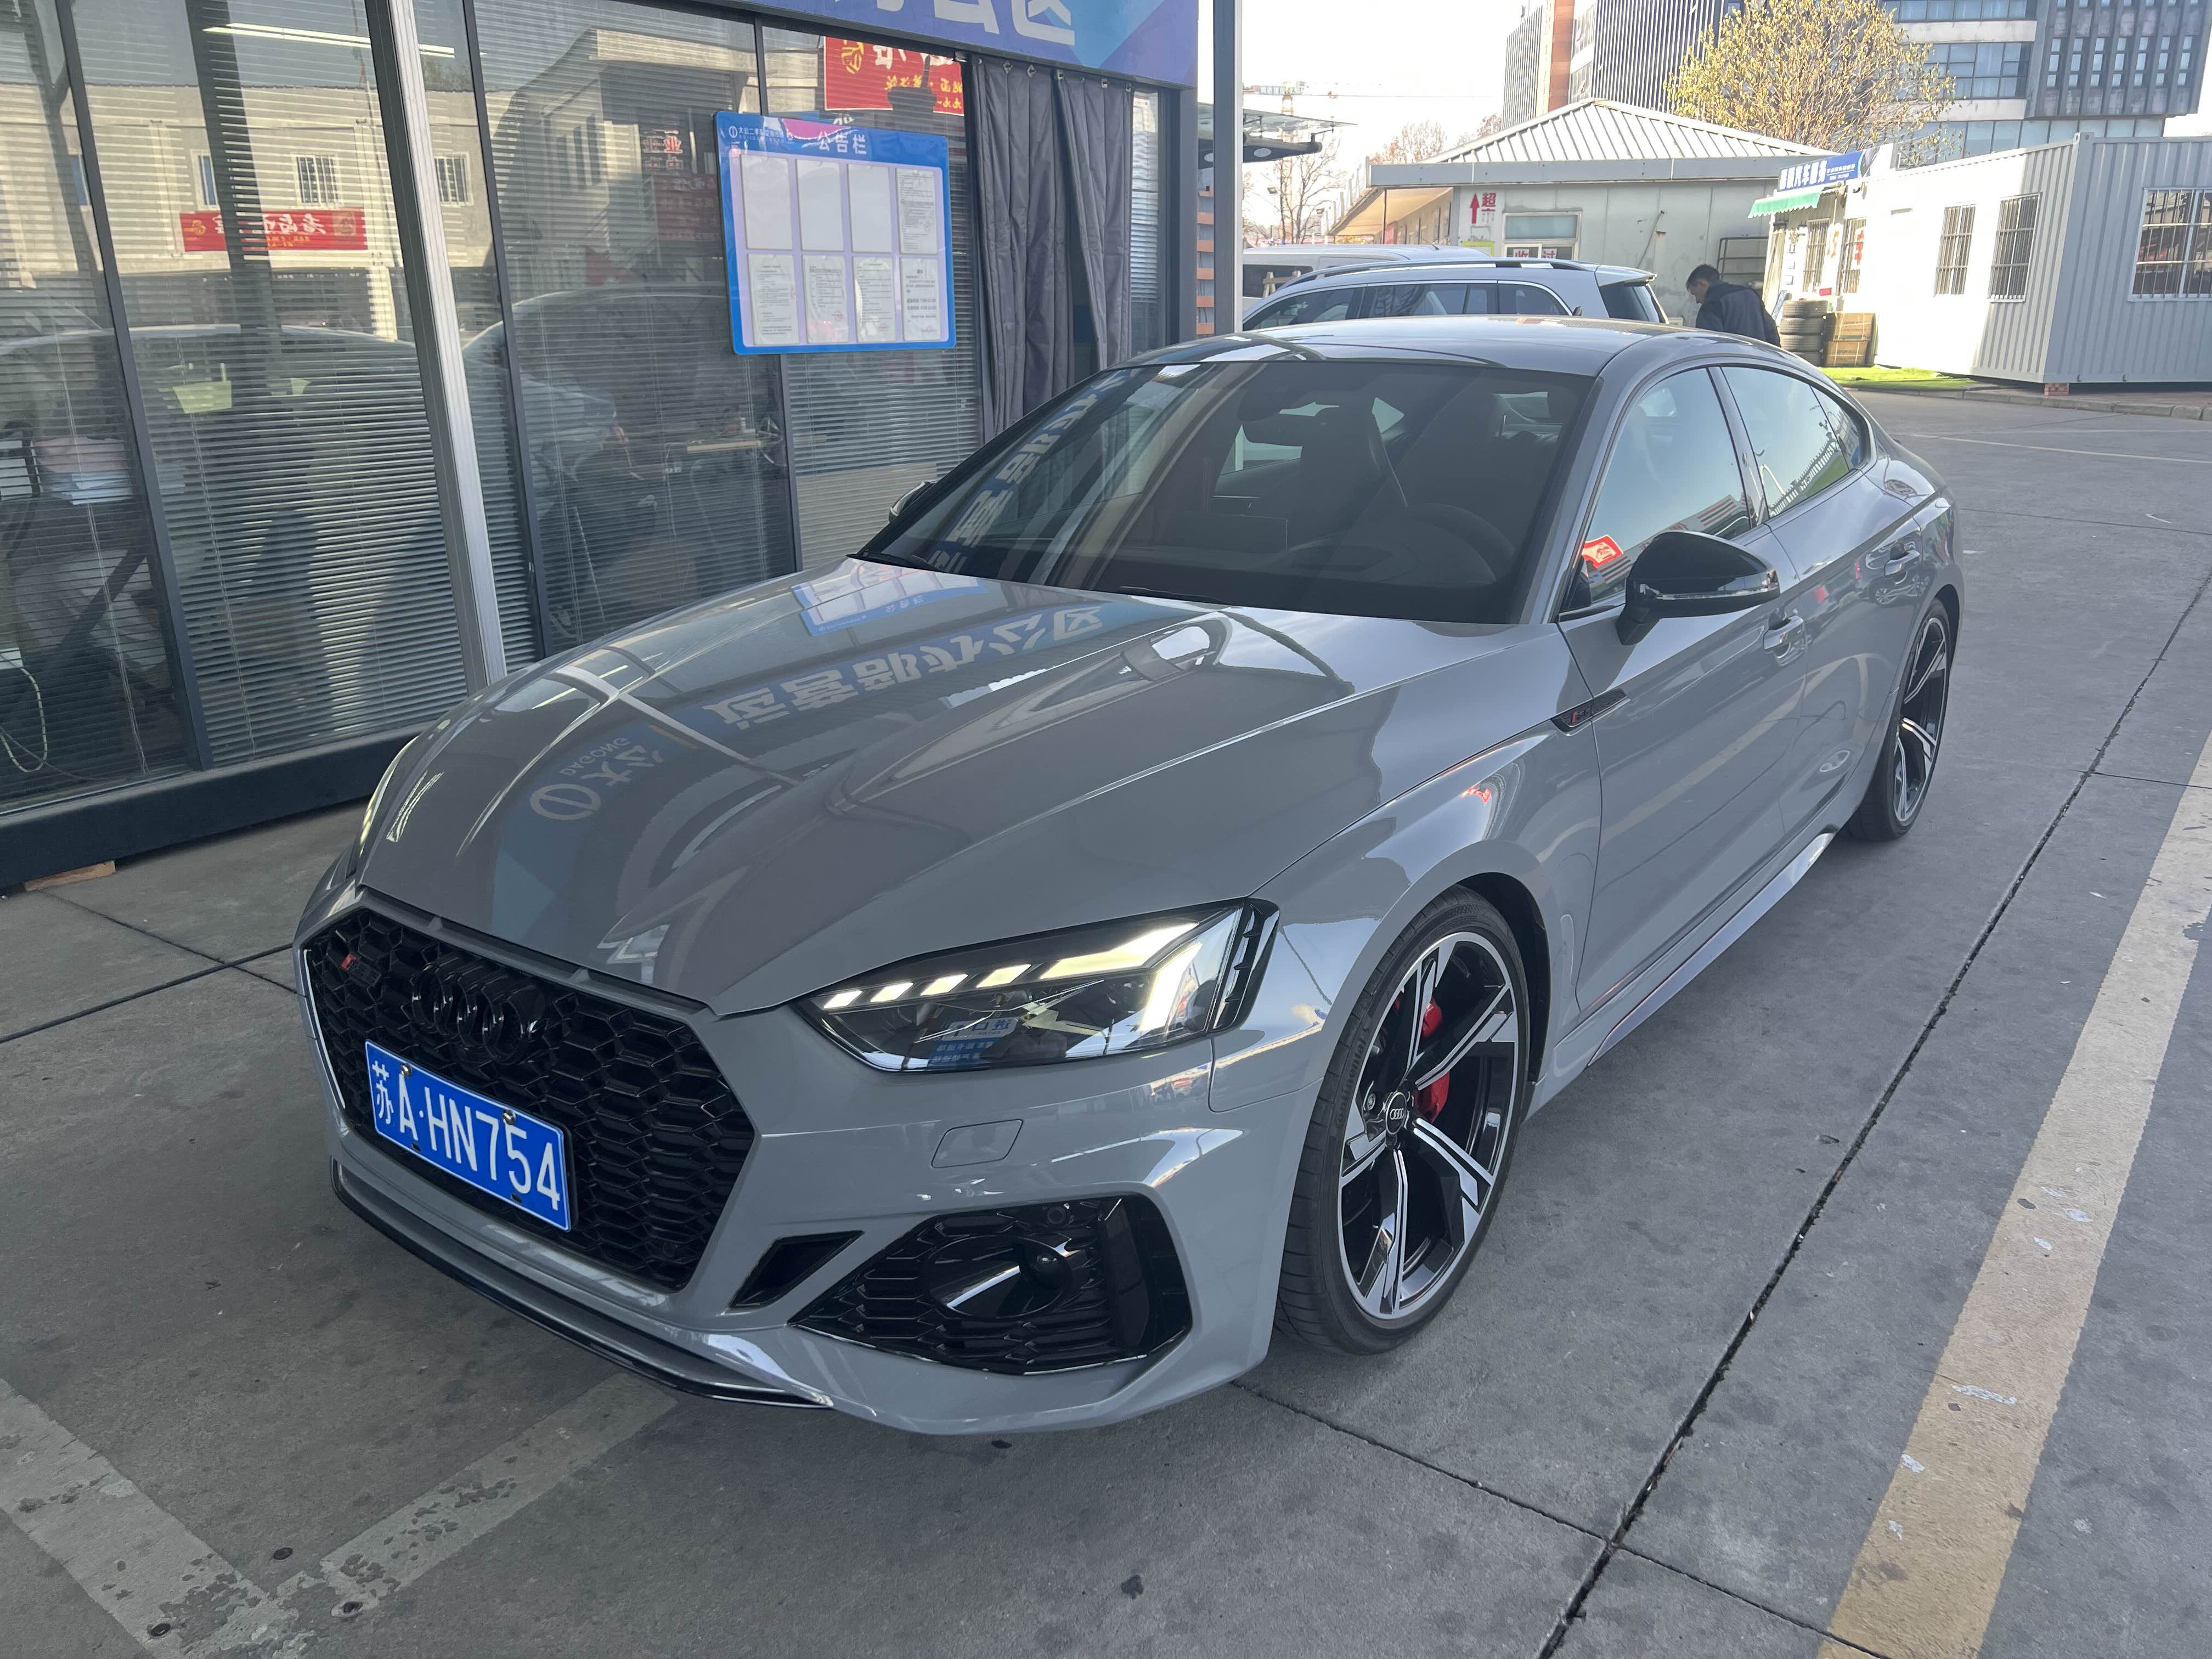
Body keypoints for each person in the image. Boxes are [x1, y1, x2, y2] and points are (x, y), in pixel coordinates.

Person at [1685, 264, 1779, 345]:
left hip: (1732, 359)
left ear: (1702, 283)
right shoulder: (1750, 294)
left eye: (1694, 294)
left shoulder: (1712, 304)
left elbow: (1707, 344)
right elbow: (1771, 331)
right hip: (1757, 358)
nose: (1697, 301)